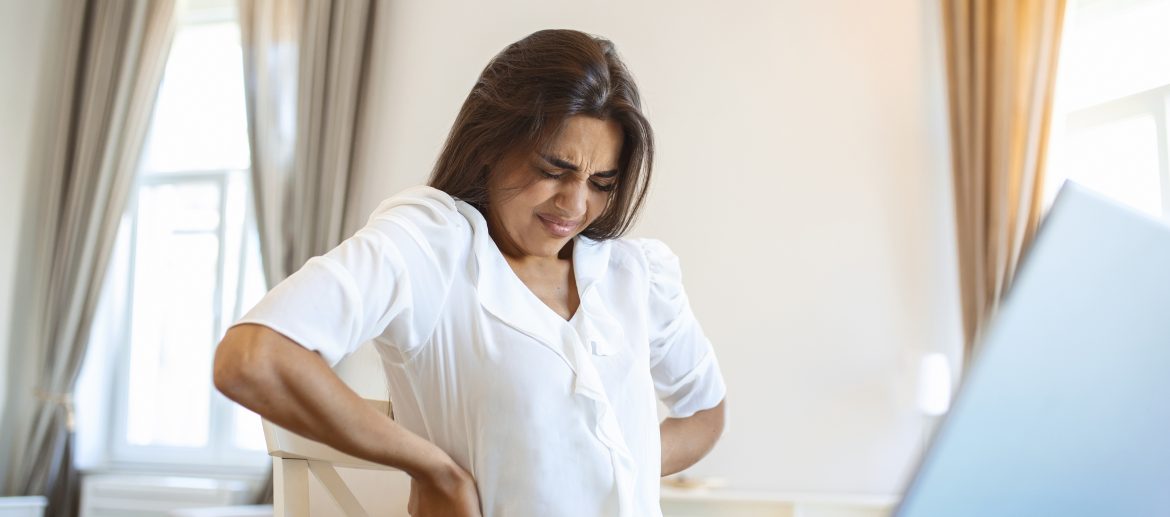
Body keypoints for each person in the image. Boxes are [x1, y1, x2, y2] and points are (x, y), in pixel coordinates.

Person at [213, 29, 726, 517]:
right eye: (553, 170)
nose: (574, 204)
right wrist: (433, 469)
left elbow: (705, 413)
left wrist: (606, 466)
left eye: (601, 181)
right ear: (489, 145)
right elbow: (253, 358)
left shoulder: (634, 274)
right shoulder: (431, 246)